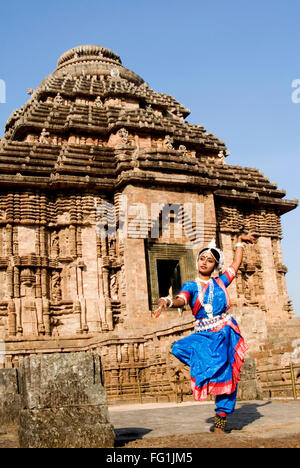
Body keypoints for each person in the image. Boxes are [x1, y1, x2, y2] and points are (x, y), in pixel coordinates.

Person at [153, 234, 257, 433]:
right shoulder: (190, 286)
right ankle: (205, 367)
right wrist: (167, 302)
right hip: (202, 334)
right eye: (202, 258)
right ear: (197, 260)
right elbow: (181, 300)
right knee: (176, 347)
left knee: (227, 377)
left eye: (210, 260)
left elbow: (235, 263)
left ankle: (221, 422)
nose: (204, 262)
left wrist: (240, 243)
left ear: (215, 265)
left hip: (224, 333)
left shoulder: (221, 282)